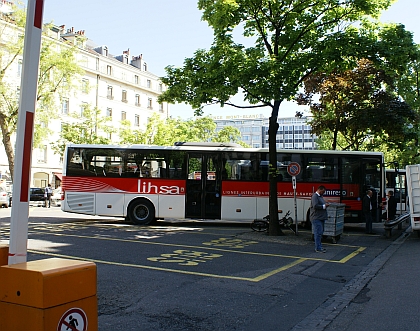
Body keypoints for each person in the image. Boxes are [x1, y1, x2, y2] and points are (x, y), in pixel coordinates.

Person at [310, 185, 330, 253]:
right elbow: (315, 206)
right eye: (323, 191)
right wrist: (324, 206)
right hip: (316, 217)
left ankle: (319, 246)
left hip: (321, 217)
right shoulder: (315, 196)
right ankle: (318, 248)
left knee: (320, 232)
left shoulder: (320, 196)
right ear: (320, 190)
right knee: (318, 232)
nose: (323, 193)